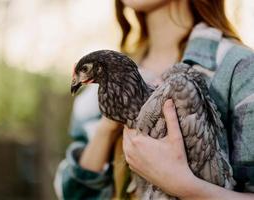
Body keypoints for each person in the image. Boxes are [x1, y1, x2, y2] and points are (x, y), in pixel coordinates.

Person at [54, 0, 254, 199]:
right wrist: (107, 129)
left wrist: (186, 187)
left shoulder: (240, 68)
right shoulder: (93, 92)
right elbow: (74, 194)